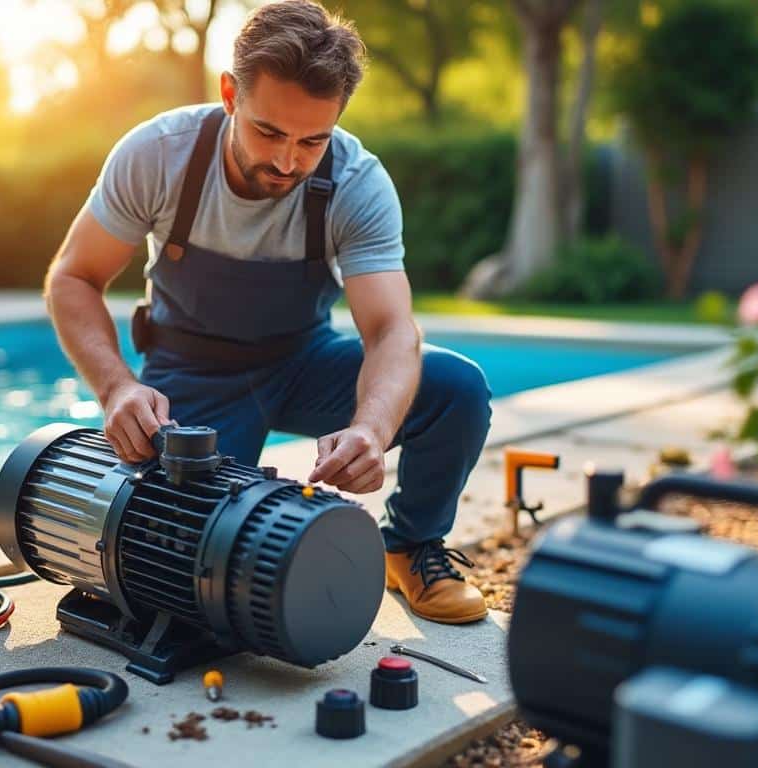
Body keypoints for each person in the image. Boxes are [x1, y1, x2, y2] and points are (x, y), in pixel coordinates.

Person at [45, 0, 491, 624]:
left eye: (312, 141)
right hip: (192, 374)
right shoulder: (159, 155)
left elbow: (391, 329)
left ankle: (410, 546)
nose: (287, 162)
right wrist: (117, 387)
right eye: (269, 133)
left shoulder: (357, 182)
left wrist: (371, 429)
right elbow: (72, 278)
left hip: (304, 361)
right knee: (174, 575)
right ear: (230, 94)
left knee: (456, 389)